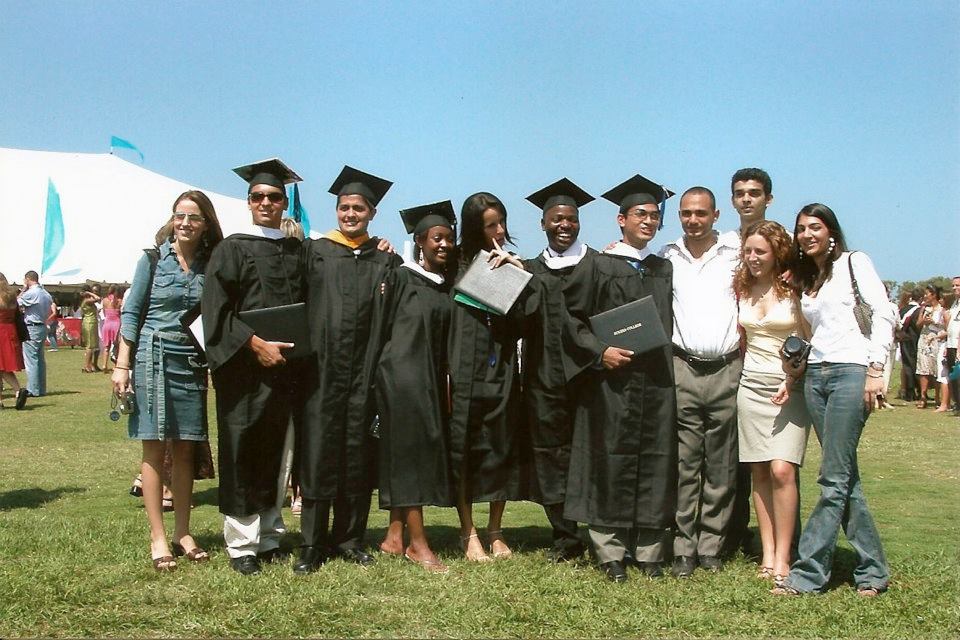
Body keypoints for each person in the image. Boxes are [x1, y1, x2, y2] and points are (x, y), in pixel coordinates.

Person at [772, 203, 893, 597]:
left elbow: (883, 314)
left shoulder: (855, 263)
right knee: (845, 479)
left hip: (851, 373)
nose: (808, 234)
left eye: (816, 227)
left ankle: (808, 573)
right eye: (802, 229)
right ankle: (873, 570)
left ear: (832, 232)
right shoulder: (810, 277)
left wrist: (876, 371)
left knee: (832, 478)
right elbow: (813, 330)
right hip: (816, 376)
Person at [561, 173, 677, 582]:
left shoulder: (664, 267)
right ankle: (609, 551)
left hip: (658, 382)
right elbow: (571, 319)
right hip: (613, 384)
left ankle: (648, 551)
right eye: (639, 214)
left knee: (656, 462)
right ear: (620, 219)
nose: (647, 221)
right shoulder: (597, 264)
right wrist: (599, 353)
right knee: (608, 460)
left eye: (653, 216)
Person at [202, 158, 306, 576]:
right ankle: (241, 543)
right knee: (243, 449)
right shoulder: (232, 248)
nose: (266, 202)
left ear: (285, 203)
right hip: (245, 371)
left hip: (287, 371)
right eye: (258, 196)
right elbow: (216, 310)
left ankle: (269, 537)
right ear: (248, 202)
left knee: (280, 452)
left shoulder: (296, 249)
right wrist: (253, 343)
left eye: (274, 196)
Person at [295, 166, 400, 574]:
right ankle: (311, 544)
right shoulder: (316, 251)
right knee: (320, 454)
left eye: (358, 208)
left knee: (358, 454)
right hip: (322, 373)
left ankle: (350, 539)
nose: (349, 214)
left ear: (372, 213)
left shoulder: (385, 259)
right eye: (343, 207)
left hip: (365, 374)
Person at [112, 190, 224, 571]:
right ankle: (158, 537)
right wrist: (121, 365)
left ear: (206, 223)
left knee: (187, 448)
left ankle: (183, 531)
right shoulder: (152, 260)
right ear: (172, 219)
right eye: (180, 216)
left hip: (191, 361)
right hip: (152, 358)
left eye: (194, 217)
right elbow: (132, 313)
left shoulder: (212, 262)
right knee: (154, 447)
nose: (186, 223)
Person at [370, 201, 458, 574]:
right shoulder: (401, 277)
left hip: (428, 379)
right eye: (437, 238)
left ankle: (394, 537)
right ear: (419, 241)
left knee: (408, 454)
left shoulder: (445, 284)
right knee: (411, 459)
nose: (444, 244)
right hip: (402, 377)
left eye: (449, 239)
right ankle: (418, 545)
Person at [660, 187, 742, 577]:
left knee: (721, 465)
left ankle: (711, 545)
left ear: (715, 215)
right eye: (686, 214)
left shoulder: (735, 255)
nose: (693, 221)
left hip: (727, 368)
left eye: (701, 214)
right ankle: (682, 547)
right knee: (684, 463)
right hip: (683, 368)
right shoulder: (666, 257)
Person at [448, 191, 531, 562]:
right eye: (490, 225)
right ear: (472, 228)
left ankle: (495, 530)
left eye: (501, 222)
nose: (499, 230)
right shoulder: (453, 263)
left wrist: (516, 273)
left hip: (501, 368)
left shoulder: (513, 263)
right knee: (463, 447)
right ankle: (468, 532)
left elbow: (526, 319)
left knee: (500, 445)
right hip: (463, 367)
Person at [521, 178, 596, 563]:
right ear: (543, 224)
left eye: (570, 218)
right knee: (550, 456)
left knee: (591, 453)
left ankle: (599, 532)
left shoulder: (599, 265)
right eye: (556, 219)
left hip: (591, 379)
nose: (564, 225)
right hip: (542, 380)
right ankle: (565, 536)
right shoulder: (528, 270)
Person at [733, 220, 811, 585]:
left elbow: (809, 340)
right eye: (748, 251)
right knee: (760, 472)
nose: (752, 258)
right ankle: (766, 554)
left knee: (783, 469)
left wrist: (792, 378)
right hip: (750, 387)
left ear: (777, 253)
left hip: (789, 388)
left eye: (760, 252)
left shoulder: (796, 289)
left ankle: (785, 557)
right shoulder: (741, 288)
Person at [726, 167, 774, 555]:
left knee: (776, 463)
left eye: (754, 193)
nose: (746, 199)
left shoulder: (783, 244)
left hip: (773, 368)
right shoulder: (724, 245)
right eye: (740, 193)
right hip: (734, 363)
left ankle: (773, 538)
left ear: (767, 199)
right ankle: (736, 532)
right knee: (739, 458)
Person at [17, 270, 53, 396]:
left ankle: (33, 389)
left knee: (31, 359)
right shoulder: (46, 293)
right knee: (39, 359)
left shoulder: (31, 293)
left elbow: (16, 303)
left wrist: (22, 290)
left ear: (28, 279)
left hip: (32, 326)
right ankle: (41, 388)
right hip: (42, 325)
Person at [0, 273, 28, 410]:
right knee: (3, 367)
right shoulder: (12, 297)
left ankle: (16, 391)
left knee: (1, 366)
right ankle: (18, 390)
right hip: (10, 330)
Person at [915, 285, 945, 408]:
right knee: (923, 368)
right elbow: (917, 324)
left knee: (936, 368)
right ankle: (923, 396)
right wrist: (924, 321)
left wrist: (935, 322)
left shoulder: (942, 310)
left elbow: (945, 326)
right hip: (924, 339)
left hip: (936, 339)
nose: (925, 296)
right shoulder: (924, 309)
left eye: (927, 294)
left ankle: (938, 396)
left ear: (933, 295)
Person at [897, 289, 922, 401]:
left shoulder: (903, 309)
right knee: (913, 365)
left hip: (903, 339)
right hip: (913, 340)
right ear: (920, 298)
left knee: (907, 365)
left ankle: (908, 392)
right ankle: (914, 391)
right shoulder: (917, 310)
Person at [945, 277, 960, 414]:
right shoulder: (955, 304)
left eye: (958, 285)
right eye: (953, 285)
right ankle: (957, 404)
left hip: (958, 346)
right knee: (953, 376)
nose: (955, 288)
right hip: (950, 344)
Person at [99, 285, 122, 372]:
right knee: (117, 346)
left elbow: (104, 312)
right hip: (116, 323)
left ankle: (104, 365)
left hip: (107, 323)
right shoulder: (120, 301)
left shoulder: (104, 300)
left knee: (106, 346)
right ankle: (116, 365)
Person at [79, 285, 100, 373]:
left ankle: (90, 365)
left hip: (90, 322)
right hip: (89, 323)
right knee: (90, 346)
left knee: (93, 346)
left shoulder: (86, 301)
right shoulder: (87, 300)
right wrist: (89, 293)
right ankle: (86, 366)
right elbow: (98, 298)